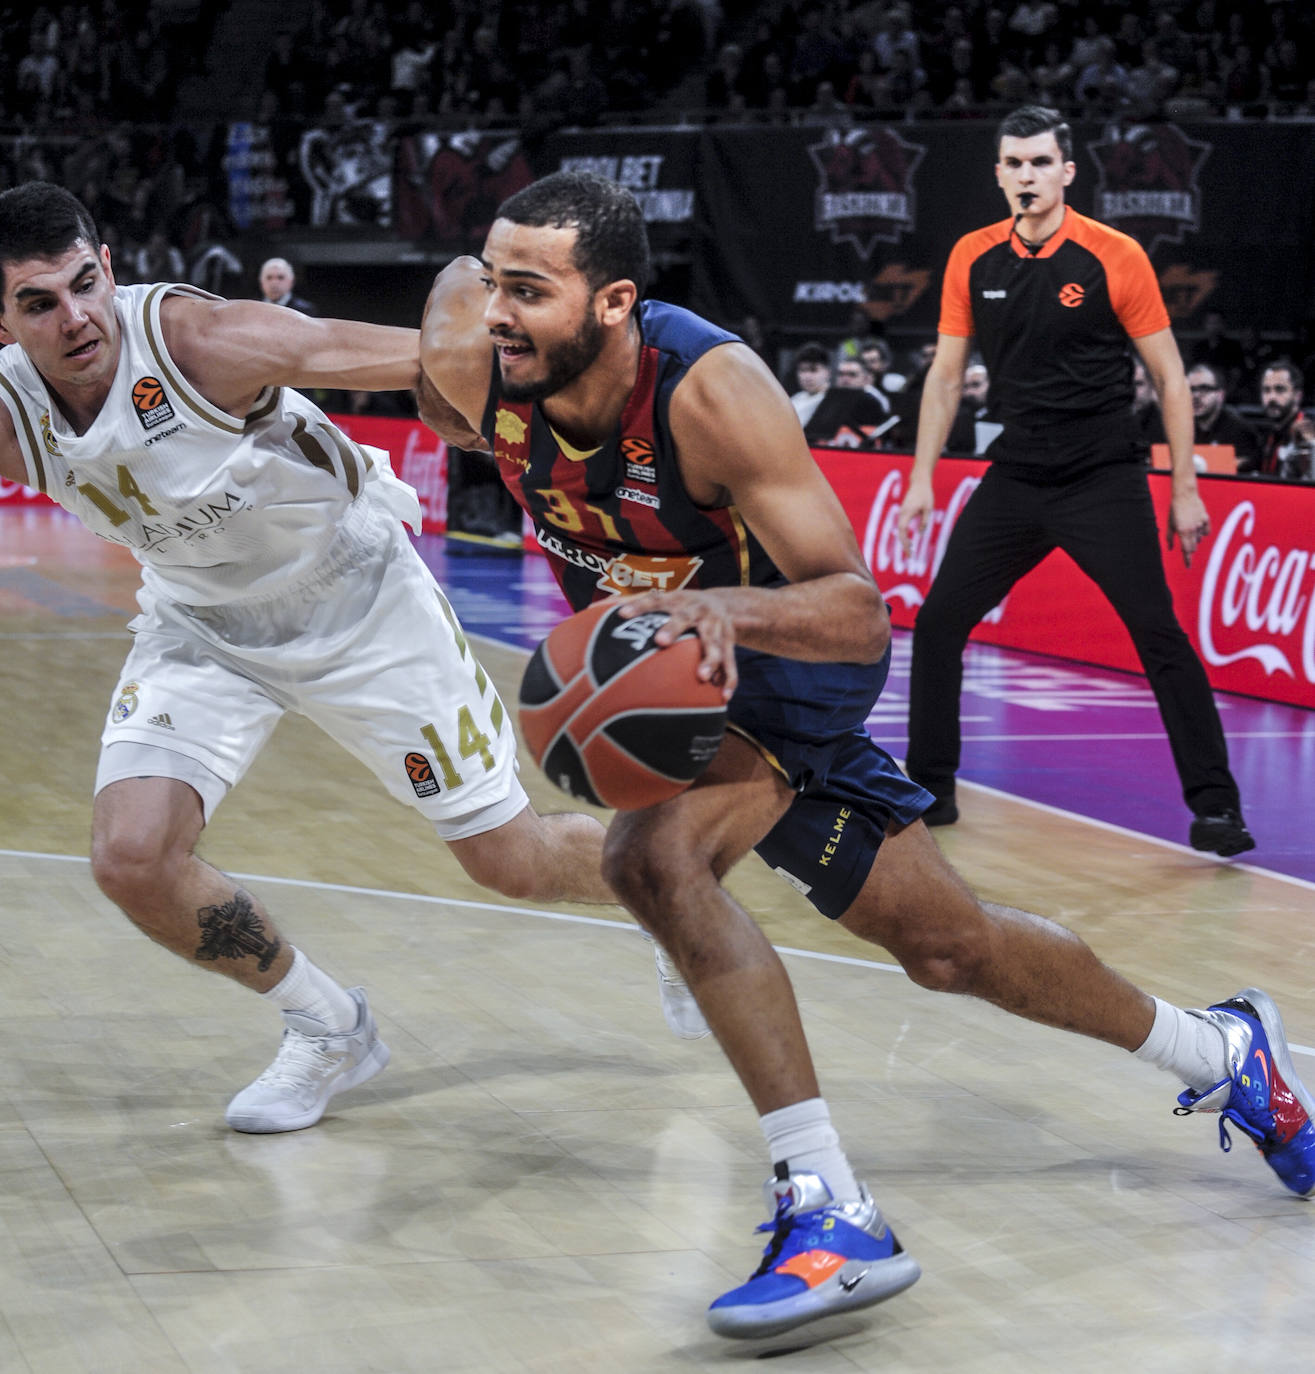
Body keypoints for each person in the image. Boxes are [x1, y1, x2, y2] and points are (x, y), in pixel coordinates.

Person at [416, 169, 1312, 1342]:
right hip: (690, 669)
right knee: (949, 947)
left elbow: (857, 610)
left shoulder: (711, 394)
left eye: (527, 291)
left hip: (791, 649)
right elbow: (317, 345)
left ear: (616, 302)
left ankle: (829, 1212)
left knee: (650, 860)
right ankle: (1226, 1048)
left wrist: (723, 619)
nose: (496, 312)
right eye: (490, 282)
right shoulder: (469, 368)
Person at [0, 180, 644, 1140]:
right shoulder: (13, 414)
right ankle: (327, 1025)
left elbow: (434, 362)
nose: (76, 317)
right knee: (131, 859)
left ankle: (668, 889)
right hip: (200, 623)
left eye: (85, 284)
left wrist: (486, 357)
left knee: (508, 861)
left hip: (360, 600)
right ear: (4, 320)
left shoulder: (203, 344)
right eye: (39, 303)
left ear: (111, 269)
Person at [897, 106, 1253, 859]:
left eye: (1039, 163)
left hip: (1101, 475)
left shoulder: (1112, 254)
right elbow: (946, 376)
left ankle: (1216, 806)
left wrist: (1182, 487)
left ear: (1066, 171)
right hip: (1015, 475)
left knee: (1157, 636)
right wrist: (920, 478)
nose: (1026, 176)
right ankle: (930, 790)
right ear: (997, 173)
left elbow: (1168, 377)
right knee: (937, 625)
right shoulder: (972, 256)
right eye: (1013, 164)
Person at [789, 342, 890, 448]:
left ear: (827, 372)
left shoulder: (862, 400)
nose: (807, 376)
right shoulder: (795, 399)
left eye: (813, 370)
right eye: (802, 370)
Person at [1243, 360, 1315, 481]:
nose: (1272, 397)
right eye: (1266, 390)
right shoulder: (1268, 433)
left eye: (1280, 389)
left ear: (1297, 395)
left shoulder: (1308, 431)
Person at [1187, 361, 1261, 471]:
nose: (1196, 396)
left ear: (1220, 395)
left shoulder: (1240, 431)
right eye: (1191, 390)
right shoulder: (1180, 428)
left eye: (1204, 389)